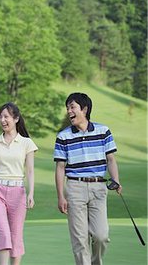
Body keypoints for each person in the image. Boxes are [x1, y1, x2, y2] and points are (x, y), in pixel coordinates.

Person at [54, 92, 122, 265]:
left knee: (101, 236)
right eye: (67, 108)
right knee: (80, 239)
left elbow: (111, 159)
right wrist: (61, 196)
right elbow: (60, 168)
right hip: (75, 189)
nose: (69, 111)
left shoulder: (103, 131)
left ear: (84, 109)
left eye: (72, 107)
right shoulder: (63, 136)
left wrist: (116, 180)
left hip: (99, 188)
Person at [0, 102, 37, 265]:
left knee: (15, 235)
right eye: (0, 117)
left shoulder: (26, 143)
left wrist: (31, 193)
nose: (2, 120)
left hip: (17, 191)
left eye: (6, 116)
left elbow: (30, 171)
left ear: (16, 119)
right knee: (3, 232)